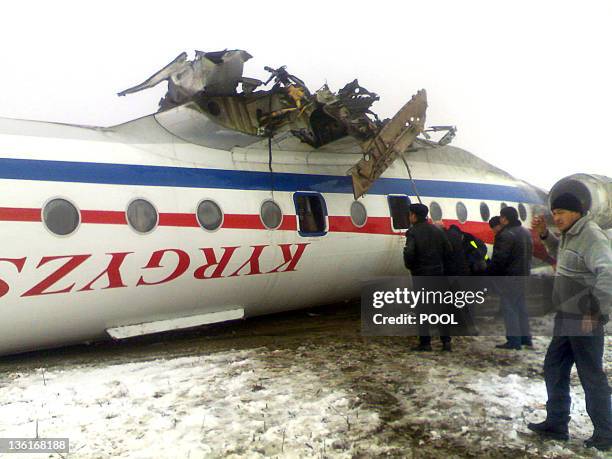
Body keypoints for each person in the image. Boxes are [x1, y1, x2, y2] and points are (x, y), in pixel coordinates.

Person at [528, 193, 612, 451]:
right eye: (554, 213)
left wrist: (595, 311)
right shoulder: (569, 233)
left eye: (561, 212)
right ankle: (556, 423)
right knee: (554, 366)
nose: (557, 217)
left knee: (590, 375)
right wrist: (545, 235)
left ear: (577, 212)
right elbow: (563, 255)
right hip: (566, 316)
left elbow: (608, 272)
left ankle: (606, 433)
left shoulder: (591, 236)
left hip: (584, 317)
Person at [404, 203, 453, 352]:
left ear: (414, 216)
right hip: (438, 275)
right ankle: (446, 342)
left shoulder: (413, 232)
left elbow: (409, 253)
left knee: (423, 310)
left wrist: (411, 266)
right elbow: (449, 250)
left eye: (410, 214)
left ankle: (425, 343)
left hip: (421, 275)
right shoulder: (437, 230)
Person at [487, 206, 533, 349]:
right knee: (521, 308)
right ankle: (526, 339)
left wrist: (492, 274)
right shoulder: (525, 232)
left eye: (501, 217)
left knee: (510, 308)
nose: (500, 219)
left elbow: (500, 259)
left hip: (509, 278)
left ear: (505, 218)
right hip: (523, 275)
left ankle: (514, 341)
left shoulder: (506, 235)